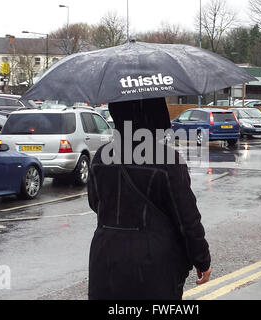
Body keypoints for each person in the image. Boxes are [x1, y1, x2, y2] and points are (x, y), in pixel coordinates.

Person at [87, 98, 211, 300]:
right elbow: (187, 220)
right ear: (156, 115)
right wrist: (202, 260)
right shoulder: (166, 160)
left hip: (106, 258)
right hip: (154, 264)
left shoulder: (102, 156)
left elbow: (95, 203)